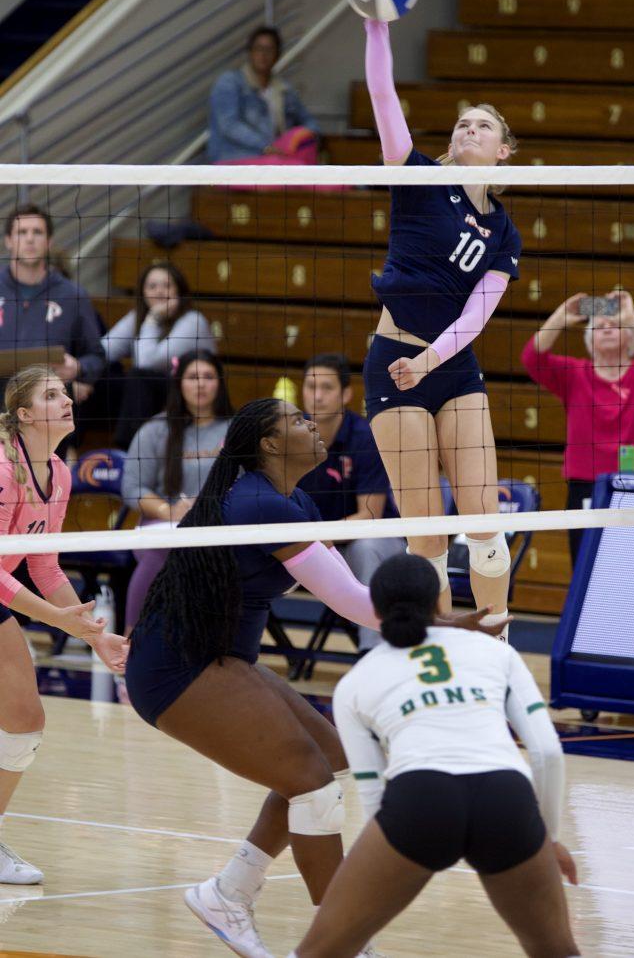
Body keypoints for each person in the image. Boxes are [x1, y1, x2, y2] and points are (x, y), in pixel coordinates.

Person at [126, 397, 500, 958]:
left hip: (219, 657)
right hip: (179, 667)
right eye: (297, 420)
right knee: (311, 781)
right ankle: (345, 939)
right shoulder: (260, 503)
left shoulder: (289, 499)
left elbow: (348, 583)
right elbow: (351, 601)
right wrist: (447, 625)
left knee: (329, 754)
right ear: (271, 445)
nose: (312, 423)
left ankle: (228, 893)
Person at [286, 553, 579, 958]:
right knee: (557, 950)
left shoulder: (356, 681)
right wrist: (547, 837)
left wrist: (391, 849)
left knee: (319, 952)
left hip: (420, 801)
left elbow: (372, 789)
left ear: (377, 609)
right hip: (505, 800)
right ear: (440, 604)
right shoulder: (496, 652)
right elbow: (547, 753)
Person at [360, 1, 523, 637]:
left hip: (447, 366)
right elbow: (381, 94)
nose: (467, 129)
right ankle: (428, 654)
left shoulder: (504, 232)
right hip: (391, 361)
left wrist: (430, 361)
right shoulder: (418, 177)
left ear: (503, 151)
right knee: (426, 534)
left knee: (483, 520)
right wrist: (377, 25)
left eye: (482, 126)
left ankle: (496, 646)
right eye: (461, 123)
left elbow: (479, 315)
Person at [0, 366, 128, 884]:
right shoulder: (4, 471)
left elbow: (44, 565)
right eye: (51, 395)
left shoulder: (59, 472)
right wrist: (55, 619)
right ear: (24, 414)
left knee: (25, 719)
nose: (66, 399)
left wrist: (94, 634)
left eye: (66, 391)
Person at [521, 289, 634, 566]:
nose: (606, 329)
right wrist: (560, 317)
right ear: (589, 340)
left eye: (615, 325)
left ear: (631, 337)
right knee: (586, 566)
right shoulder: (574, 374)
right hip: (587, 487)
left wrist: (631, 316)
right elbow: (532, 359)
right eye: (599, 326)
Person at [121, 350, 233, 632]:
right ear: (179, 383)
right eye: (193, 377)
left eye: (208, 377)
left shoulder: (234, 430)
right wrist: (168, 510)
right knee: (164, 549)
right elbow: (132, 486)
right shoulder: (156, 429)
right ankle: (132, 639)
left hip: (218, 525)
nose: (200, 384)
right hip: (164, 523)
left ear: (219, 383)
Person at [299, 353, 402, 653]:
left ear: (346, 394)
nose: (317, 396)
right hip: (320, 540)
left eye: (327, 388)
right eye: (310, 386)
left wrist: (315, 535)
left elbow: (369, 515)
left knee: (364, 548)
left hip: (378, 539)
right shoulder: (291, 438)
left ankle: (373, 652)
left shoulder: (366, 438)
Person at [101, 262, 216, 449]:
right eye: (152, 286)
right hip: (149, 396)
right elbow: (103, 350)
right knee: (91, 379)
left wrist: (153, 319)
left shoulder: (193, 320)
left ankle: (128, 449)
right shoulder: (138, 317)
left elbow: (147, 363)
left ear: (179, 290)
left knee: (139, 377)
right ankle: (68, 451)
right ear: (143, 292)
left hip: (187, 393)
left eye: (167, 285)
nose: (160, 291)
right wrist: (83, 373)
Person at [0, 206, 104, 405]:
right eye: (22, 232)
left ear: (49, 242)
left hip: (48, 408)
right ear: (8, 241)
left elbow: (97, 357)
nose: (30, 238)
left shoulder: (73, 295)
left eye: (37, 232)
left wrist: (78, 368)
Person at [207, 26, 320, 165]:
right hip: (236, 156)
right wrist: (266, 147)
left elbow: (310, 122)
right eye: (258, 48)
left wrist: (297, 139)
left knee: (309, 167)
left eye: (269, 50)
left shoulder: (283, 89)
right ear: (250, 52)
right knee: (292, 170)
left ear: (277, 55)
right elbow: (229, 125)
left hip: (276, 155)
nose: (263, 55)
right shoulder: (230, 82)